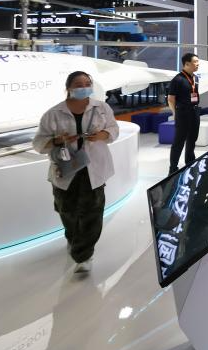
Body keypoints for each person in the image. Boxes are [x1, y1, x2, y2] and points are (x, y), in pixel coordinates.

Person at [33, 71, 119, 274]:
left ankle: (83, 255)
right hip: (66, 169)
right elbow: (38, 144)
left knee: (92, 212)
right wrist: (57, 140)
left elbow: (114, 129)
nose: (84, 87)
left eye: (87, 83)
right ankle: (73, 238)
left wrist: (102, 135)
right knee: (67, 210)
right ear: (68, 88)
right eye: (79, 84)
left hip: (93, 168)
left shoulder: (101, 108)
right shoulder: (53, 113)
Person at [167, 53, 201, 175]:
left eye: (198, 61)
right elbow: (171, 99)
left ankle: (190, 163)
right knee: (179, 141)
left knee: (192, 139)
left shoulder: (195, 78)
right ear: (187, 64)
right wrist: (175, 114)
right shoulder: (178, 79)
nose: (198, 64)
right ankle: (173, 168)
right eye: (195, 62)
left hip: (195, 111)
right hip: (183, 113)